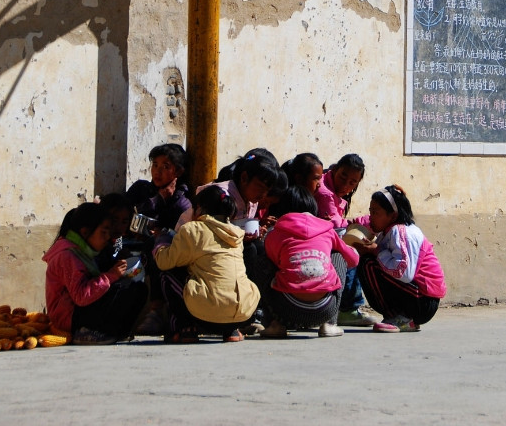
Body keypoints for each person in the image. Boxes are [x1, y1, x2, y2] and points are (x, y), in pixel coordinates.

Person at [153, 184, 260, 343]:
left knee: (167, 273)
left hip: (205, 317)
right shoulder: (236, 233)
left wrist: (161, 241)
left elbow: (164, 261)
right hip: (243, 313)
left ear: (199, 209)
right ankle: (231, 331)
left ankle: (185, 327)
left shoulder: (193, 229)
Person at [254, 186, 359, 339]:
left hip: (286, 311)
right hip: (325, 310)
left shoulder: (275, 233)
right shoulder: (328, 230)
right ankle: (330, 324)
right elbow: (353, 260)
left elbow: (273, 264)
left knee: (263, 258)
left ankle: (274, 324)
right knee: (338, 255)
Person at [43, 201, 147, 345]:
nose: (107, 238)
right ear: (85, 232)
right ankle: (85, 332)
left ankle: (115, 332)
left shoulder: (85, 251)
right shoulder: (67, 256)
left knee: (138, 289)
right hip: (69, 318)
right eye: (103, 232)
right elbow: (81, 295)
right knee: (123, 289)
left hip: (82, 310)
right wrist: (111, 276)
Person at [355, 184, 446, 333]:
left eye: (375, 212)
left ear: (392, 215)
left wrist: (376, 251)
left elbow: (403, 273)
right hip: (419, 298)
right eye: (370, 211)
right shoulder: (388, 232)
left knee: (368, 265)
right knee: (367, 260)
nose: (371, 217)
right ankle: (403, 319)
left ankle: (398, 318)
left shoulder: (402, 232)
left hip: (423, 301)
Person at [315, 153, 373, 327]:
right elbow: (337, 226)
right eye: (343, 176)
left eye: (352, 182)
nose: (346, 184)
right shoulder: (325, 193)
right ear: (334, 170)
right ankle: (348, 309)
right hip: (318, 240)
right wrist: (367, 221)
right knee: (352, 253)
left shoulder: (333, 188)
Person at [127, 143, 192, 231]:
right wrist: (157, 199)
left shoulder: (181, 204)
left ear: (179, 172)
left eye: (165, 167)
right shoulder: (140, 189)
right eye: (155, 165)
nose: (157, 172)